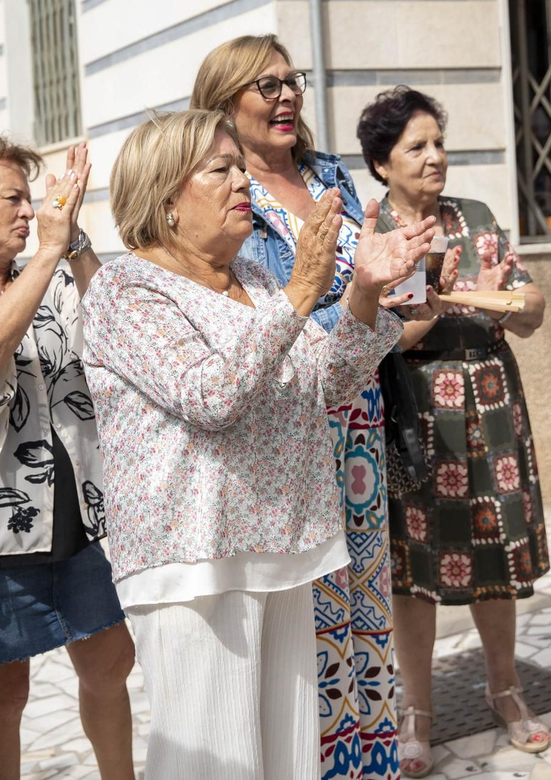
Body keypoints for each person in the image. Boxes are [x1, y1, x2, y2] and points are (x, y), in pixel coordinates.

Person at [81, 110, 433, 780]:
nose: (244, 179)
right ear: (166, 199)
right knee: (213, 766)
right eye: (222, 169)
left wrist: (361, 291)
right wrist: (303, 290)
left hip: (284, 545)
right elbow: (211, 396)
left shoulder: (256, 276)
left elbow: (325, 381)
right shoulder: (125, 291)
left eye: (240, 166)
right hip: (196, 560)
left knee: (287, 763)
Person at [191, 34, 401, 778]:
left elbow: (358, 283)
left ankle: (370, 761)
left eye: (292, 81)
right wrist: (361, 297)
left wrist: (400, 283)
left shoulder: (326, 173)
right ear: (225, 104)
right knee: (306, 615)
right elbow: (264, 316)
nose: (286, 96)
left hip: (362, 418)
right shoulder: (224, 195)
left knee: (366, 600)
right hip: (293, 426)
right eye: (265, 85)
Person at [0, 134, 135, 780]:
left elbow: (118, 329)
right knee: (4, 692)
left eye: (32, 200)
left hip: (79, 516)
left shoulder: (53, 274)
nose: (28, 212)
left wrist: (78, 239)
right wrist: (48, 252)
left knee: (110, 663)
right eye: (13, 198)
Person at [355, 86, 551, 775]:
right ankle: (418, 710)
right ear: (382, 163)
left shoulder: (477, 216)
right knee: (415, 568)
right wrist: (441, 302)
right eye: (417, 146)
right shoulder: (374, 235)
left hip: (491, 400)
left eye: (439, 142)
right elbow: (379, 340)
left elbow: (530, 310)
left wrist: (509, 299)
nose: (436, 156)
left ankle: (507, 691)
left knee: (494, 554)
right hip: (416, 411)